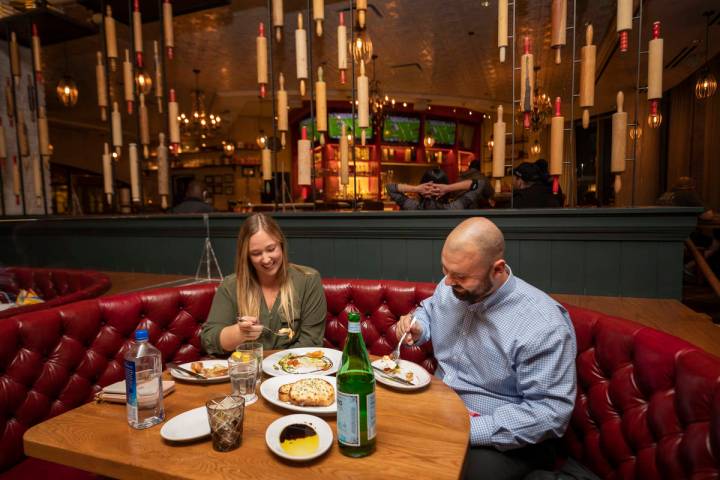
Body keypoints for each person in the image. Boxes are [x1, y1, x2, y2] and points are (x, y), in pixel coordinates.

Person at [398, 217, 577, 480]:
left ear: (497, 269)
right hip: (440, 408)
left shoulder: (543, 325)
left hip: (504, 436)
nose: (447, 283)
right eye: (445, 270)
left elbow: (550, 413)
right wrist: (420, 327)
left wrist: (467, 428)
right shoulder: (452, 287)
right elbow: (430, 308)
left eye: (460, 276)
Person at [201, 213, 327, 354]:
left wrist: (276, 366)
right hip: (248, 370)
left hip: (294, 371)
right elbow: (209, 340)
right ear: (246, 256)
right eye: (256, 253)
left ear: (281, 245)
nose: (266, 259)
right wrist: (239, 333)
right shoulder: (231, 286)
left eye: (271, 249)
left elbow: (312, 342)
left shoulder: (308, 280)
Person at [386, 167, 494, 210]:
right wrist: (448, 188)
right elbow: (479, 184)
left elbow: (390, 188)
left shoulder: (413, 207)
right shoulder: (454, 208)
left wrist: (417, 189)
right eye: (428, 188)